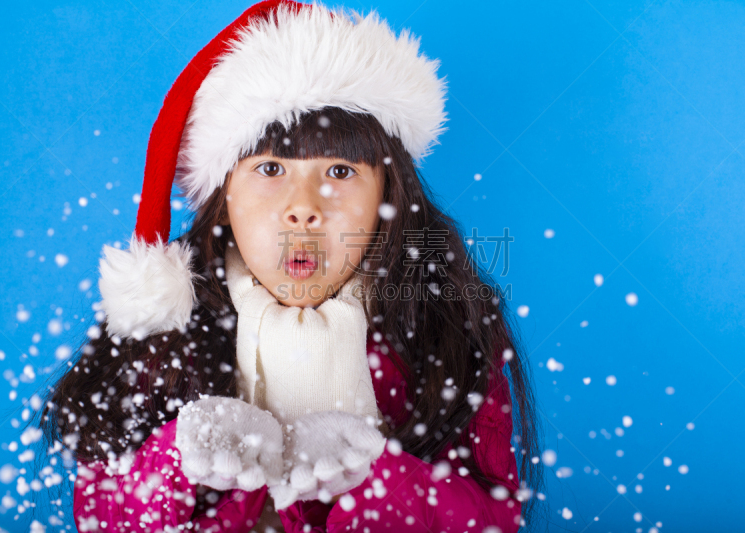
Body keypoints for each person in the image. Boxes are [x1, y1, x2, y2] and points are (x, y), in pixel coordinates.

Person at [40, 1, 544, 531]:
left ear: (387, 197)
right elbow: (100, 514)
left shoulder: (443, 328)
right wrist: (178, 460)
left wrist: (376, 478)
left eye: (342, 169)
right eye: (272, 167)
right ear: (225, 196)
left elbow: (494, 518)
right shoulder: (170, 335)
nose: (305, 205)